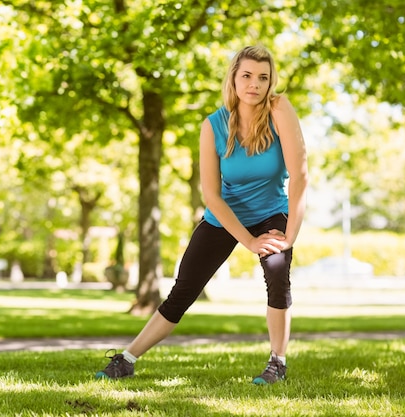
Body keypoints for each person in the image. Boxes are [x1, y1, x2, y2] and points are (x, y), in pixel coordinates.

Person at [95, 45, 308, 385]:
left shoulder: (279, 108)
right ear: (234, 79)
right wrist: (249, 241)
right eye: (247, 76)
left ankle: (277, 363)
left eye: (263, 77)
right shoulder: (214, 126)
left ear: (271, 83)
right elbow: (211, 194)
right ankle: (127, 359)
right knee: (183, 290)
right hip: (225, 215)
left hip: (271, 212)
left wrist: (289, 237)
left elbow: (300, 174)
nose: (255, 84)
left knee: (277, 275)